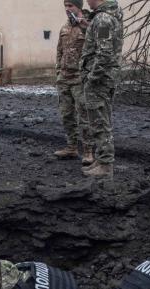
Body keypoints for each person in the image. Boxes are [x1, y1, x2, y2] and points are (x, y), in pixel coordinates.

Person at [80, 0, 123, 179]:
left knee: (99, 121)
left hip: (99, 81)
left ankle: (105, 165)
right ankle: (102, 159)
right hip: (105, 78)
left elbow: (104, 53)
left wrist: (92, 78)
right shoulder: (106, 16)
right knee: (101, 119)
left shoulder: (103, 19)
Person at [53, 0, 93, 167]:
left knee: (84, 115)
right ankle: (71, 147)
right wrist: (58, 72)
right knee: (66, 114)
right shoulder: (64, 28)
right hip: (64, 78)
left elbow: (95, 50)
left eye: (71, 6)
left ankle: (88, 151)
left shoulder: (89, 26)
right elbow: (59, 51)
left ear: (78, 7)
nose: (67, 9)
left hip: (80, 79)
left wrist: (89, 75)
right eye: (66, 6)